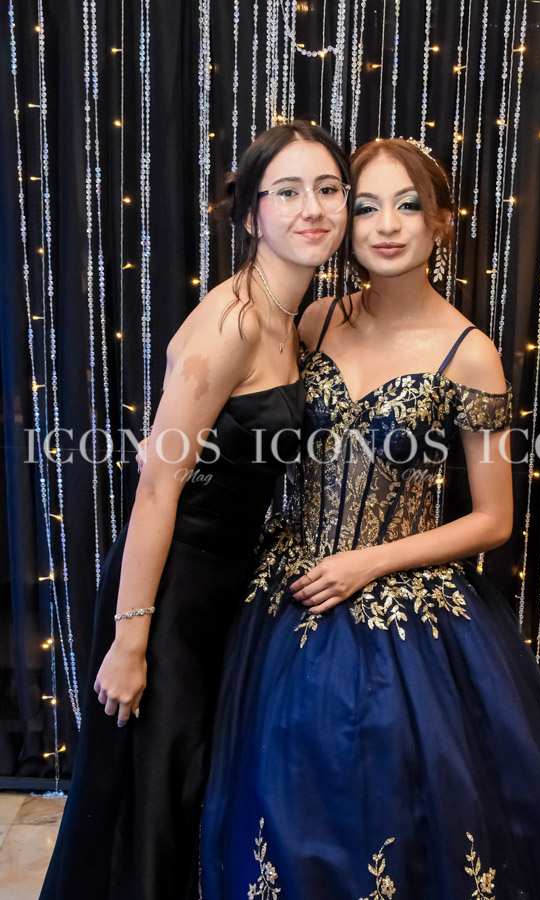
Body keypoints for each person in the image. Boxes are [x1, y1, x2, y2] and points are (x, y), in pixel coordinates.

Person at [199, 137, 540, 899]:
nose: (386, 225)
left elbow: (491, 520)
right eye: (364, 207)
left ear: (440, 223)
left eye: (408, 206)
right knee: (285, 800)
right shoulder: (313, 319)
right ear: (343, 222)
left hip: (406, 606)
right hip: (287, 593)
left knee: (406, 800)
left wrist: (367, 561)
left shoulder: (469, 351)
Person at [40, 121, 350, 900]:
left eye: (327, 189)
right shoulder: (230, 323)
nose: (312, 208)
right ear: (249, 215)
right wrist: (130, 641)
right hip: (170, 593)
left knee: (196, 797)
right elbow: (156, 487)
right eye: (287, 192)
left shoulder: (293, 316)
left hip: (226, 588)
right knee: (155, 804)